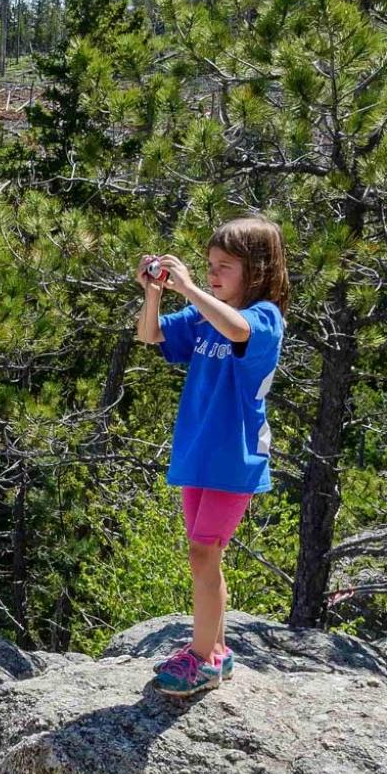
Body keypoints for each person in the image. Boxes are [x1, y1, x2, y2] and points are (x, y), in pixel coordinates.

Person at [134, 217, 288, 695]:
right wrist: (154, 292)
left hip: (233, 457)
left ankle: (203, 658)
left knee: (204, 552)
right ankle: (215, 651)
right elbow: (150, 335)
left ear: (257, 270)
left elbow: (238, 328)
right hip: (200, 451)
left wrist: (191, 287)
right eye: (210, 266)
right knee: (205, 555)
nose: (215, 274)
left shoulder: (264, 318)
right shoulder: (206, 315)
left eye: (225, 267)